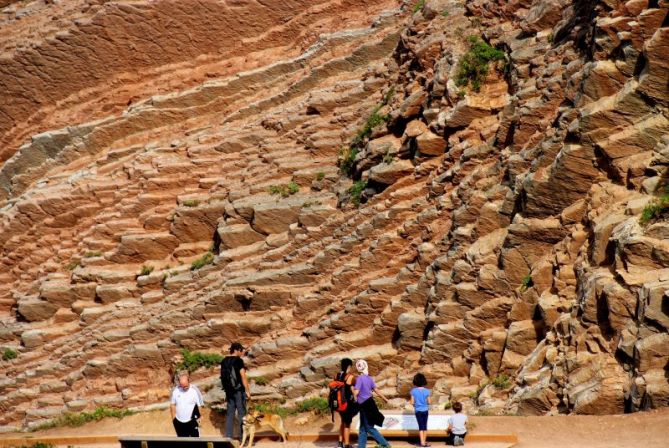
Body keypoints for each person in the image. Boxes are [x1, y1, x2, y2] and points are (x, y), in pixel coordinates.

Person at [353, 359, 390, 448]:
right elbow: (376, 390)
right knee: (363, 428)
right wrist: (385, 399)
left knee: (369, 427)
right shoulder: (369, 378)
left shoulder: (359, 378)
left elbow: (356, 392)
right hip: (371, 403)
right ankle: (361, 446)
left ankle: (385, 444)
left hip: (364, 405)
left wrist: (354, 398)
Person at [221, 342, 251, 440]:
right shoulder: (239, 361)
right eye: (241, 350)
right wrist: (247, 391)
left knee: (230, 413)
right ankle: (243, 437)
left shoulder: (224, 361)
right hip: (238, 390)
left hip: (228, 391)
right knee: (242, 413)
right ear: (236, 350)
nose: (242, 352)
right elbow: (243, 376)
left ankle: (228, 437)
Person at [170, 370, 204, 437]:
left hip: (192, 421)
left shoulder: (195, 390)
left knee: (196, 442)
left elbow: (200, 405)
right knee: (183, 442)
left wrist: (200, 417)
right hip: (179, 422)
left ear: (189, 381)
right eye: (183, 386)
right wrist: (174, 419)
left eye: (186, 386)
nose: (185, 388)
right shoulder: (176, 391)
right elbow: (172, 405)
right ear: (180, 384)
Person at [335, 358, 357, 448]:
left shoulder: (336, 376)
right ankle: (347, 445)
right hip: (347, 405)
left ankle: (340, 444)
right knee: (347, 424)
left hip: (338, 404)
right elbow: (356, 385)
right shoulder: (350, 377)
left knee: (342, 422)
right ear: (349, 366)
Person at [410, 373, 431, 447]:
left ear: (415, 381)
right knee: (425, 426)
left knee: (420, 427)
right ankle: (424, 442)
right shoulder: (427, 391)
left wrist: (416, 405)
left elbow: (412, 402)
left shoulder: (413, 391)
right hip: (425, 410)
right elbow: (429, 402)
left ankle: (421, 442)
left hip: (418, 410)